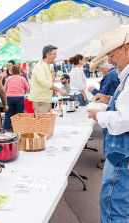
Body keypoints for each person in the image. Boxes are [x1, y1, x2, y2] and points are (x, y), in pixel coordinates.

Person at [87, 27, 129, 223]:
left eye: (112, 55)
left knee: (114, 205)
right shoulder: (124, 77)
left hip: (122, 155)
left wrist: (99, 116)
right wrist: (109, 99)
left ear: (126, 49)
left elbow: (124, 120)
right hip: (122, 153)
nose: (110, 61)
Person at [29, 45, 67, 114]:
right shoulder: (40, 66)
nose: (56, 56)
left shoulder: (47, 65)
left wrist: (52, 90)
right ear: (47, 55)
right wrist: (59, 90)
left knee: (45, 122)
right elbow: (43, 82)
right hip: (40, 100)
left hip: (44, 100)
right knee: (42, 123)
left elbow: (46, 83)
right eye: (54, 54)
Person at [3, 65, 29, 130]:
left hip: (9, 98)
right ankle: (19, 129)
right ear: (20, 71)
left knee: (8, 114)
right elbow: (27, 88)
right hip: (19, 98)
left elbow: (4, 89)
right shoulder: (22, 78)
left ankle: (6, 130)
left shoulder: (8, 78)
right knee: (19, 114)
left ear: (11, 71)